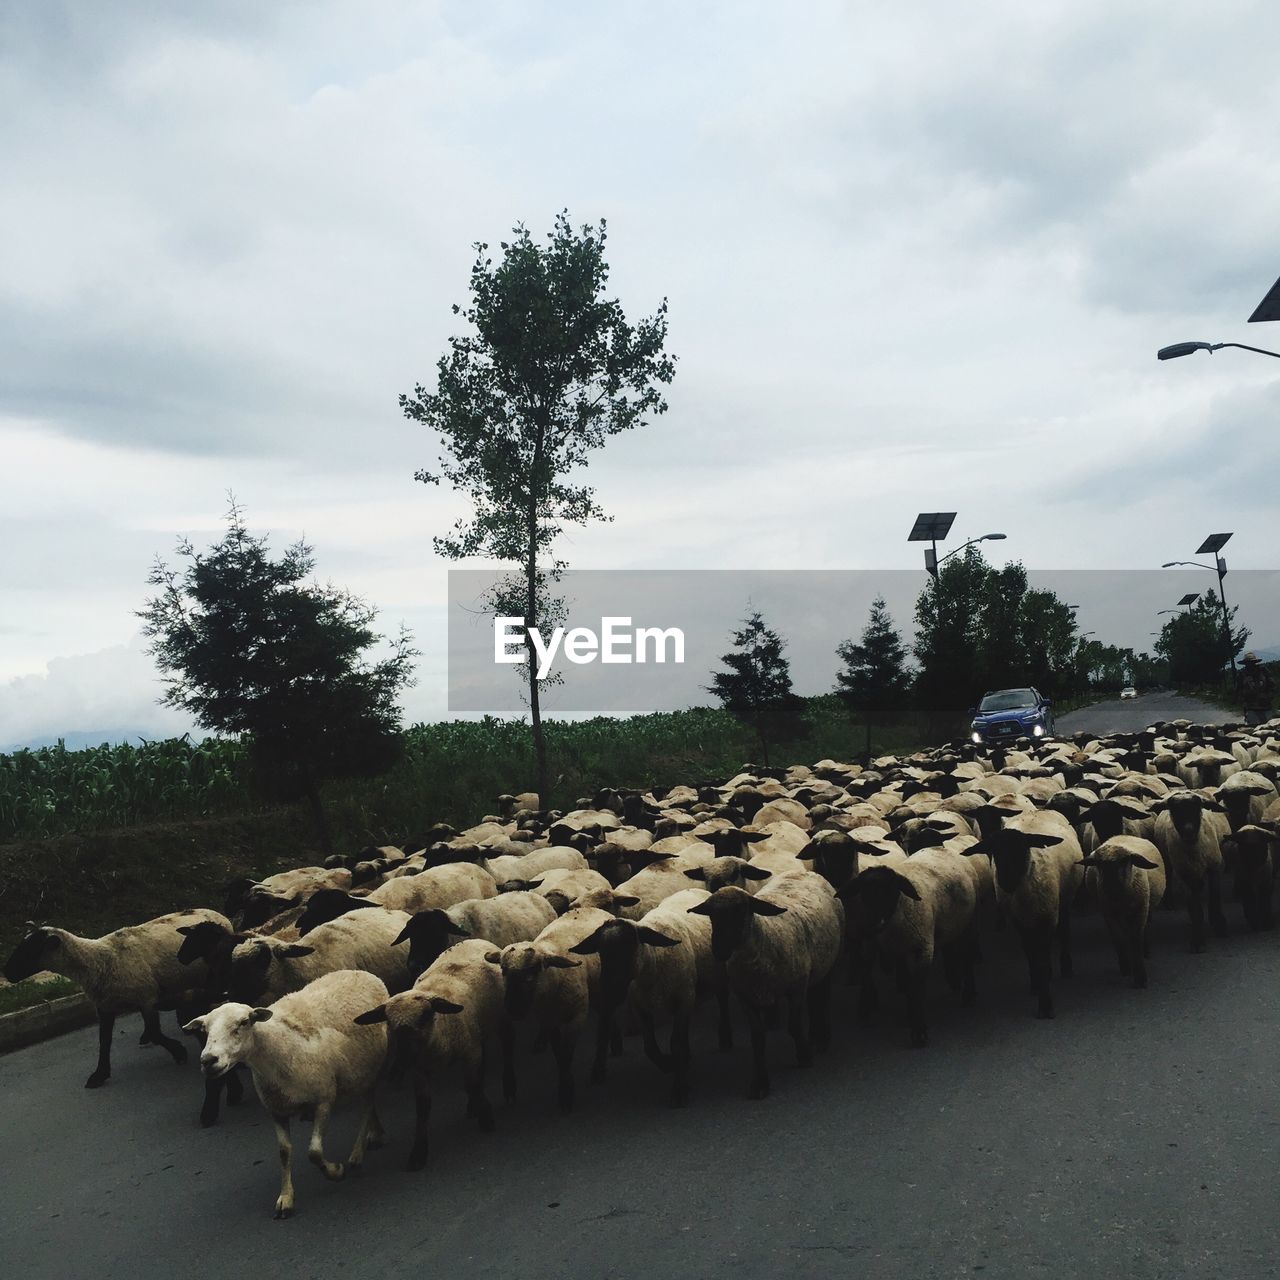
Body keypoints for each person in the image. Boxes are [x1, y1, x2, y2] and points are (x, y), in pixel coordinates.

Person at [1239, 652, 1275, 727]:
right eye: (1248, 663)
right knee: (1254, 729)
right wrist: (1244, 700)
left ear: (1255, 662)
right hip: (1251, 707)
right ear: (1245, 664)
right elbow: (1239, 690)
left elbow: (1272, 685)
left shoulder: (1263, 671)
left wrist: (1269, 696)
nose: (1250, 665)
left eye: (1252, 663)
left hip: (1266, 705)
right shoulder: (1242, 674)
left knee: (1269, 727)